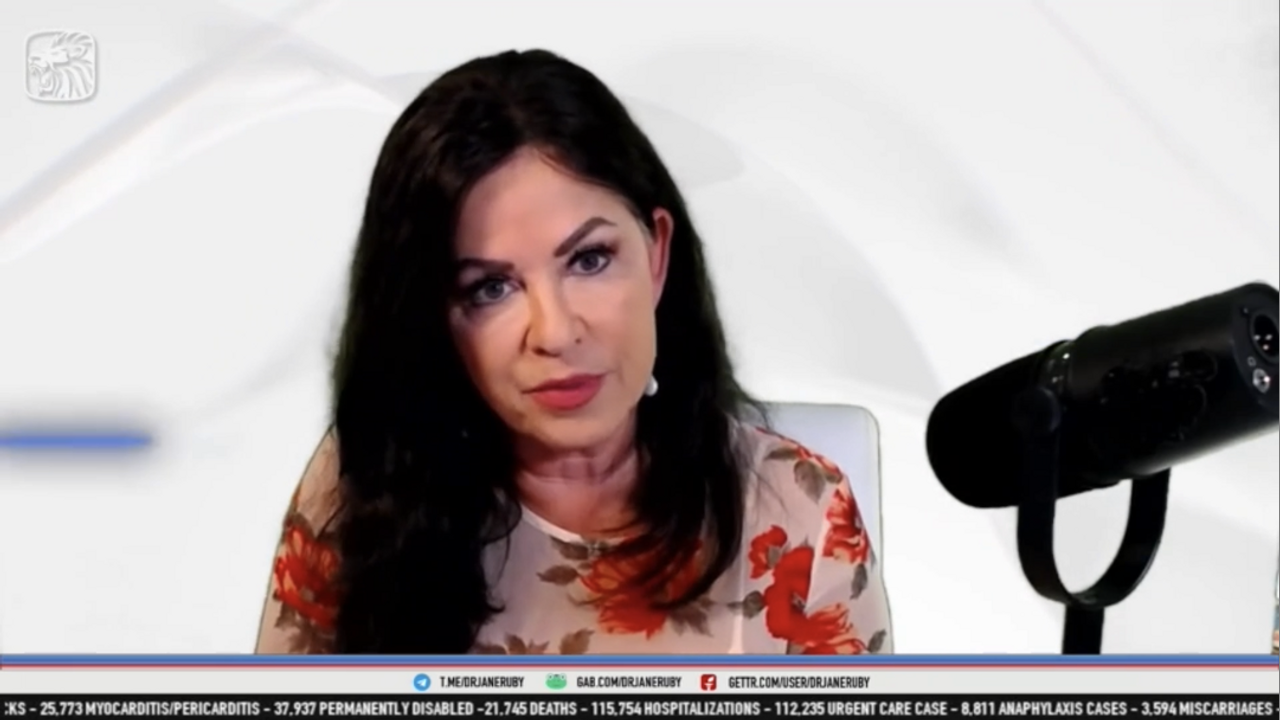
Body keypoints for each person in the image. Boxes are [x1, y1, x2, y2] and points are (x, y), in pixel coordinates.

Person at [254, 49, 891, 654]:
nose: (555, 333)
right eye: (490, 288)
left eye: (589, 260)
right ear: (434, 316)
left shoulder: (801, 509)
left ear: (657, 255)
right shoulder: (364, 488)